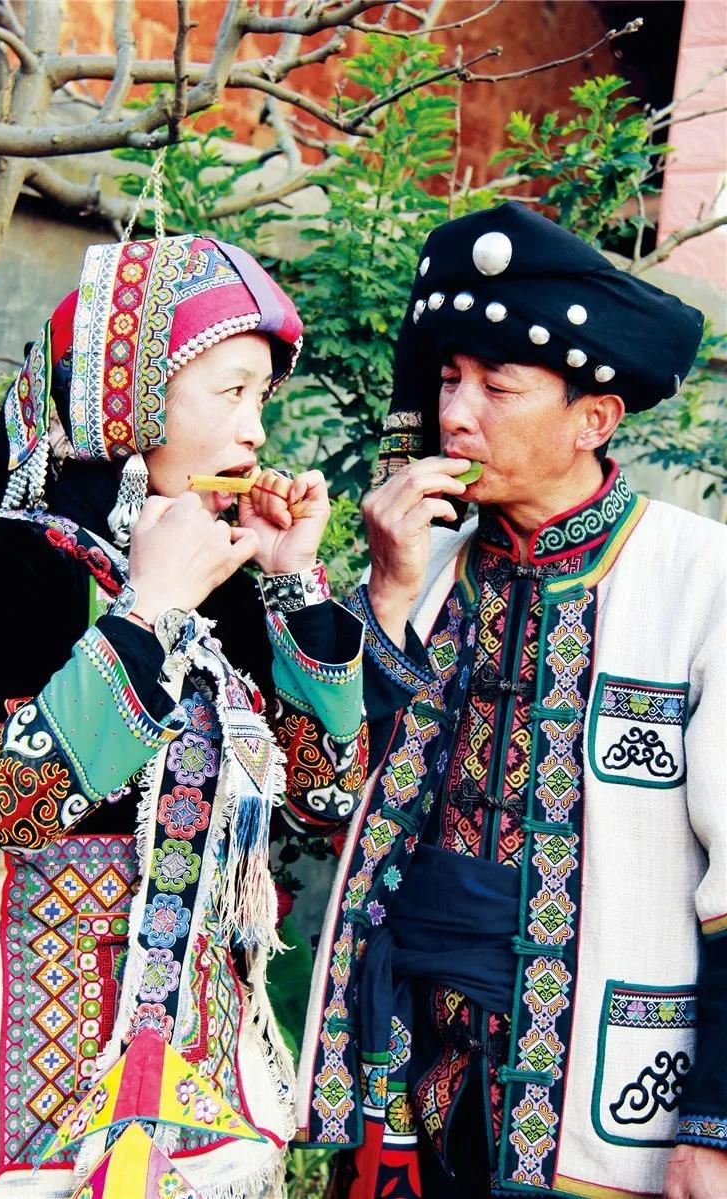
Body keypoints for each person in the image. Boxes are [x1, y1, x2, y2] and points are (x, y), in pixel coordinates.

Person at [295, 203, 726, 1199]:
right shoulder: (421, 562)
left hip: (610, 1093)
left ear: (593, 418)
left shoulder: (699, 577)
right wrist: (385, 596)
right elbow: (324, 803)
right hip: (411, 1079)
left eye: (496, 385)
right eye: (449, 378)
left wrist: (714, 1121)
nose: (456, 412)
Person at [0, 234, 368, 1199]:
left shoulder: (228, 586)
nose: (257, 430)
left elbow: (327, 800)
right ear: (122, 397)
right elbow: (5, 803)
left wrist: (294, 583)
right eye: (232, 392)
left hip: (195, 1064)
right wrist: (148, 610)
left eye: (264, 397)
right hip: (20, 1045)